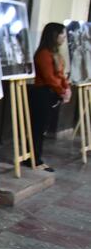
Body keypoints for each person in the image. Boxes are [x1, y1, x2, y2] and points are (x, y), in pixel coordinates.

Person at [29, 22, 71, 172]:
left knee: (43, 128)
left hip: (51, 94)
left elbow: (60, 74)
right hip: (41, 94)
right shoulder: (43, 54)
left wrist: (66, 88)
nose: (64, 37)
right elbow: (49, 77)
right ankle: (34, 159)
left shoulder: (55, 54)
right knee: (38, 128)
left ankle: (37, 158)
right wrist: (61, 90)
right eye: (62, 34)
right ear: (54, 35)